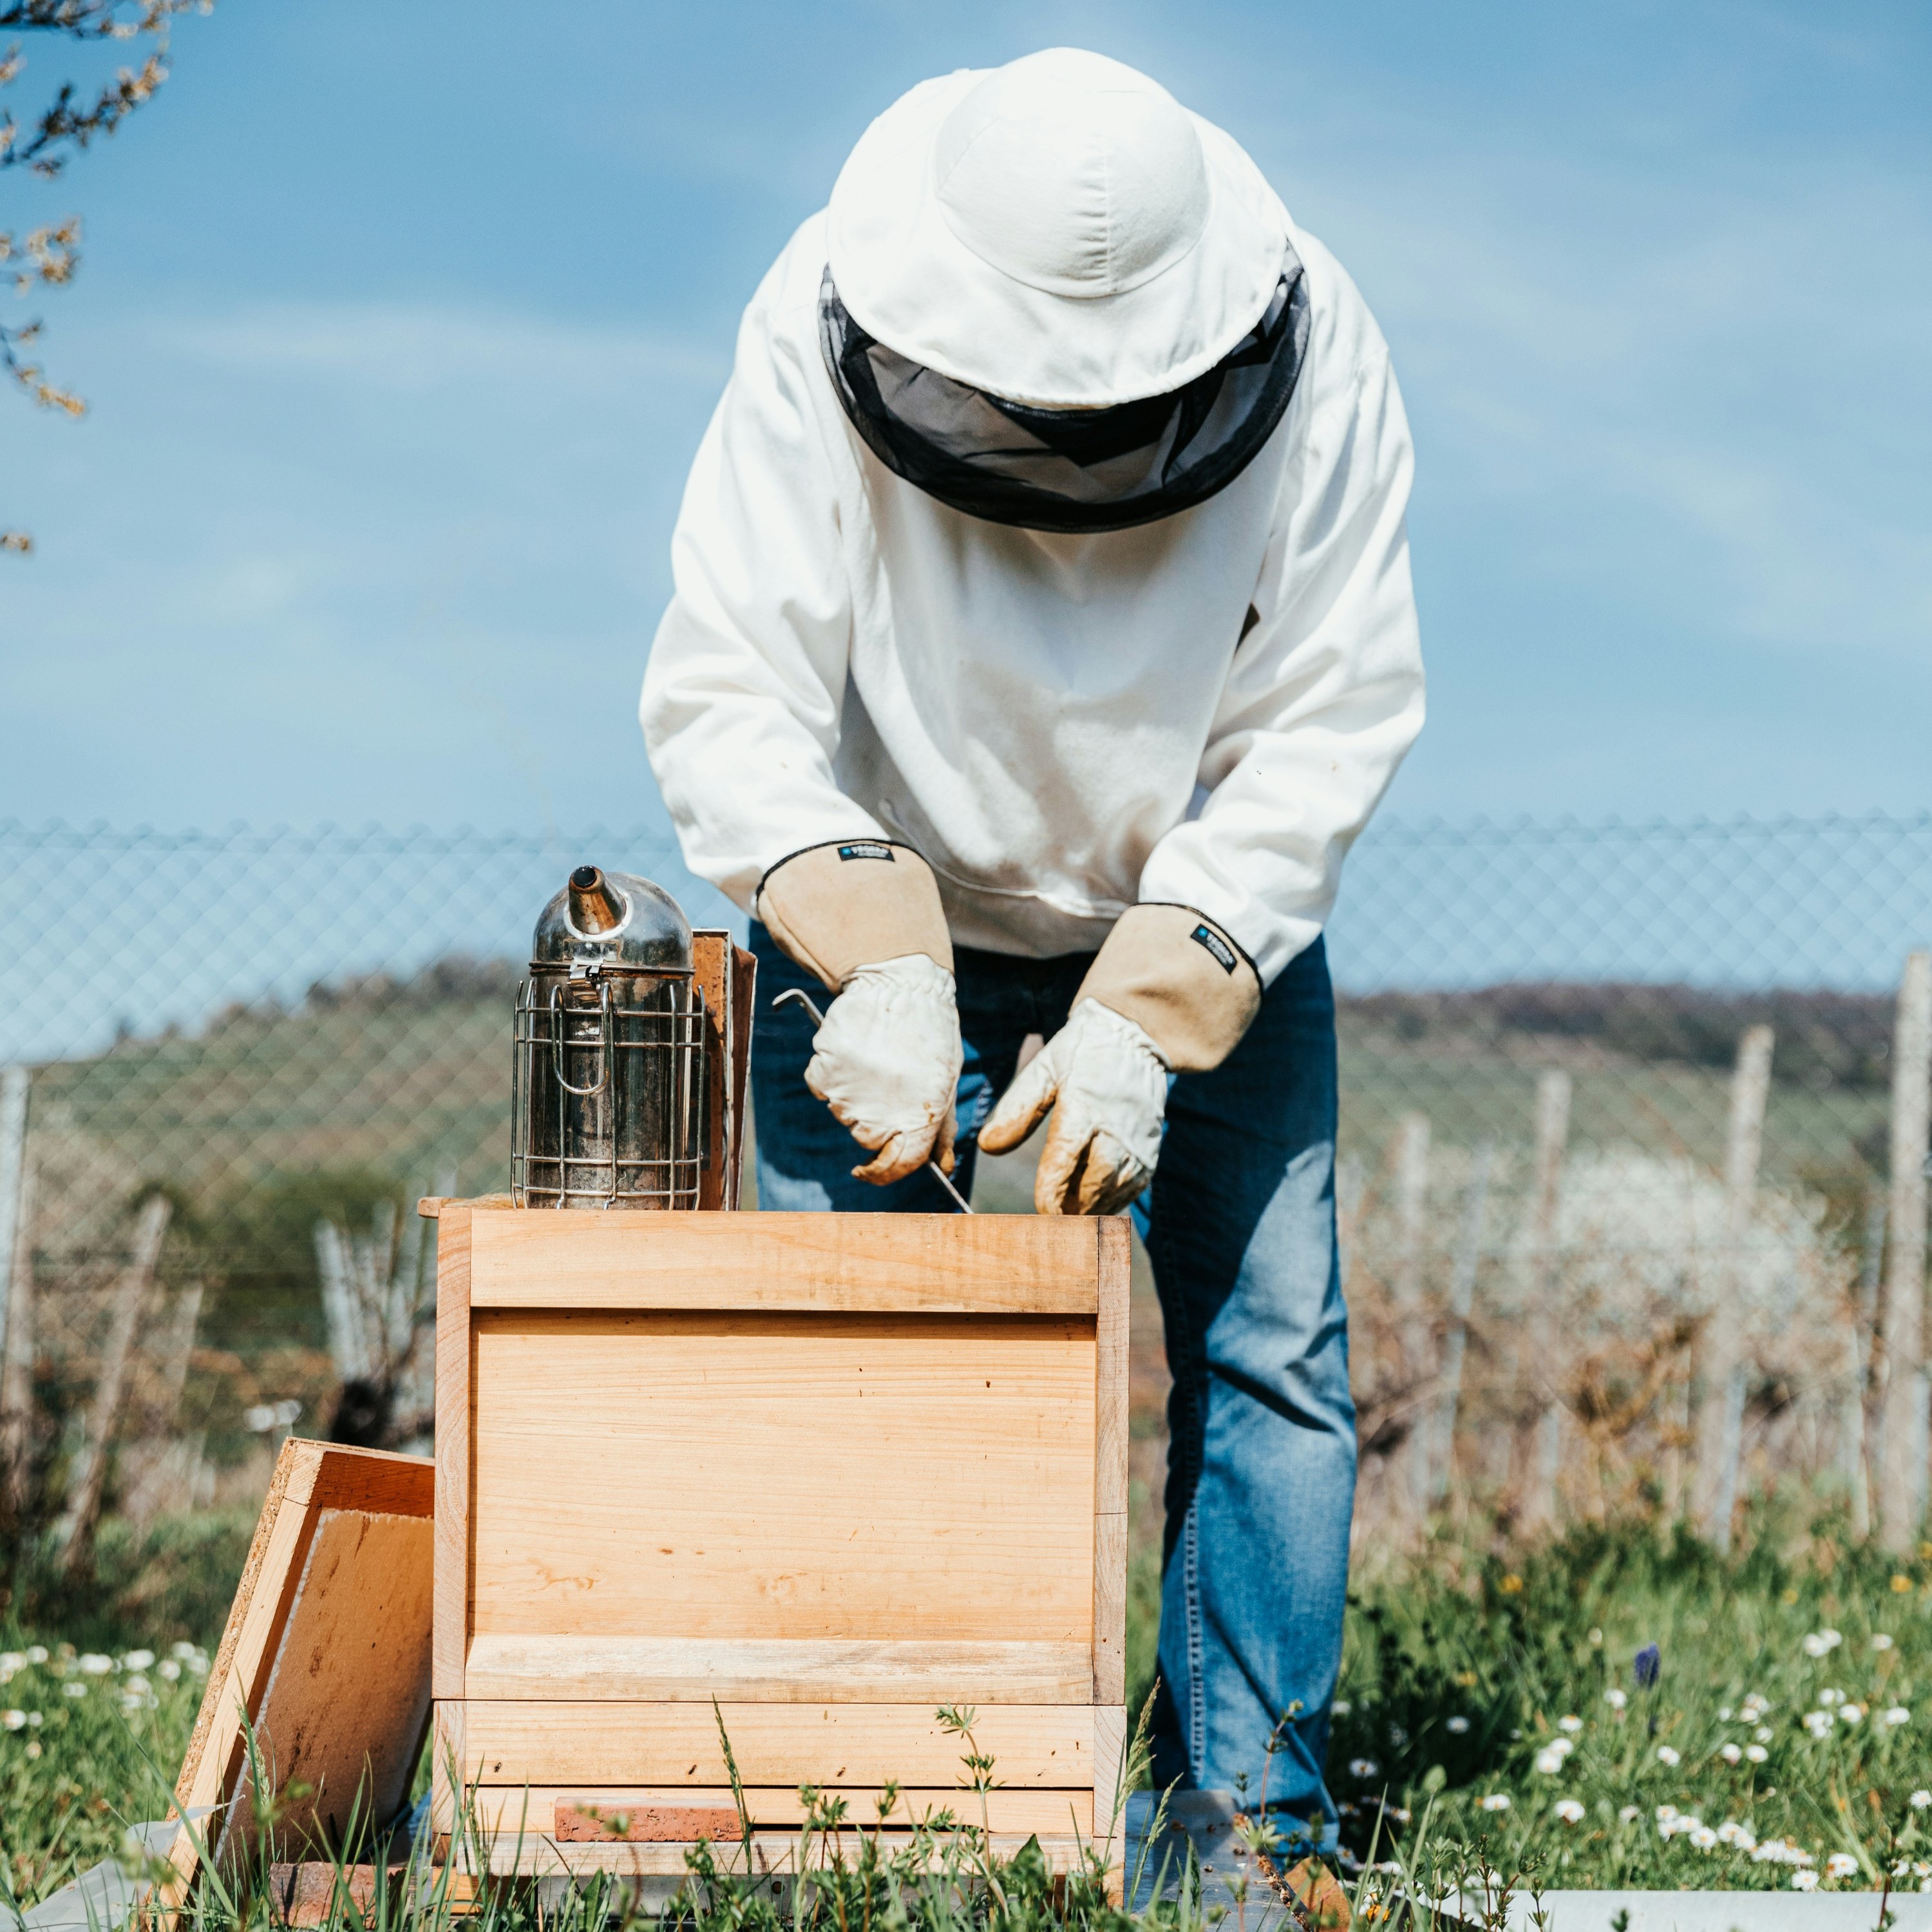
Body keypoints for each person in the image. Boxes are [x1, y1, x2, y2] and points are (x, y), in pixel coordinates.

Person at [641, 47, 1423, 1846]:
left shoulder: (1325, 348)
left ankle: (1245, 1832)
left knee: (1271, 1355)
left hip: (1198, 921)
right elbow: (728, 680)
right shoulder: (812, 307)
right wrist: (874, 947)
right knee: (850, 1357)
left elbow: (1332, 708)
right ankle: (883, 1816)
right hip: (885, 915)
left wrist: (1149, 1010)